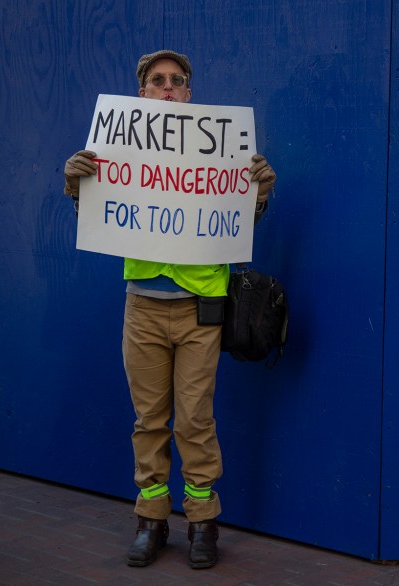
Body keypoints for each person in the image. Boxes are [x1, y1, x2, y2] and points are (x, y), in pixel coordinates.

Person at [62, 50, 277, 570]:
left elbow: (236, 222)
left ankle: (203, 522)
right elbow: (100, 213)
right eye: (157, 80)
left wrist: (258, 193)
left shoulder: (220, 151)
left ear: (188, 93)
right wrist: (76, 183)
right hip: (143, 308)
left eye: (176, 81)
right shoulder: (117, 149)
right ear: (142, 93)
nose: (166, 87)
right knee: (149, 420)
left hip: (201, 309)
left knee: (196, 420)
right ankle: (151, 520)